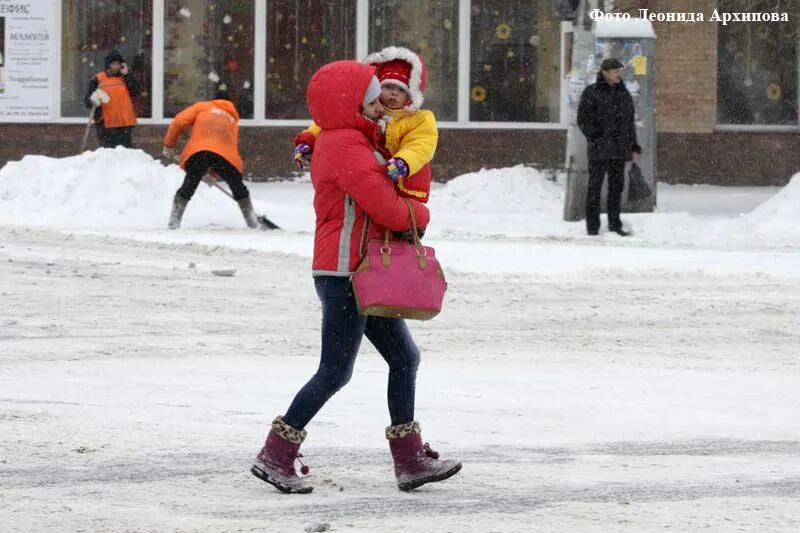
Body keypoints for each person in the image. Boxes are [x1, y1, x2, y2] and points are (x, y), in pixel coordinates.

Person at [251, 60, 461, 494]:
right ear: (351, 101)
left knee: (404, 358)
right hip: (345, 271)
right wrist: (420, 213)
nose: (379, 106)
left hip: (363, 270)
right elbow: (386, 206)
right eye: (370, 97)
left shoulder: (354, 140)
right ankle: (277, 453)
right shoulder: (345, 144)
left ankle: (410, 459)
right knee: (334, 371)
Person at [294, 46, 437, 204]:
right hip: (373, 179)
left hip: (405, 181)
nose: (394, 93)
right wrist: (308, 139)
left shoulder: (419, 119)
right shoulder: (368, 109)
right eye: (388, 87)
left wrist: (404, 161)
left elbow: (420, 145)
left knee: (402, 219)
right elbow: (335, 121)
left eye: (401, 90)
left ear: (411, 96)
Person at [162, 89, 264, 230]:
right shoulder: (232, 118)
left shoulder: (203, 106)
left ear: (214, 99)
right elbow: (225, 147)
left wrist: (169, 145)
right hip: (225, 157)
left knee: (188, 186)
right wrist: (214, 172)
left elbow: (178, 122)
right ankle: (253, 222)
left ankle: (174, 222)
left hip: (199, 152)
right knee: (238, 187)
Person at [577, 57, 642, 236]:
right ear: (605, 72)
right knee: (595, 188)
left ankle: (615, 224)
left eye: (619, 71)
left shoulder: (624, 94)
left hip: (620, 150)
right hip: (599, 150)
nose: (618, 74)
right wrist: (596, 137)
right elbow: (583, 120)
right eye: (615, 71)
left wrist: (634, 146)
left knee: (616, 188)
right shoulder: (592, 92)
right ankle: (592, 227)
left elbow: (629, 123)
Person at [84, 50, 140, 148]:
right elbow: (88, 102)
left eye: (119, 64)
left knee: (125, 155)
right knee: (108, 154)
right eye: (113, 64)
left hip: (124, 124)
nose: (116, 66)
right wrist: (94, 100)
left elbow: (135, 92)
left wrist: (127, 75)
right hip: (105, 125)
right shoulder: (98, 79)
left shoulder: (126, 77)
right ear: (108, 65)